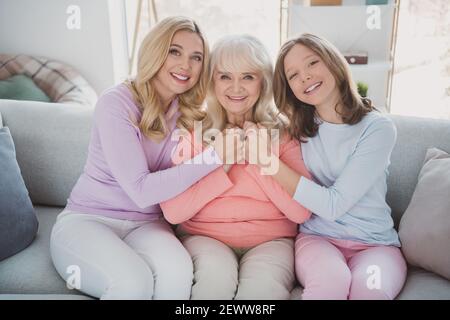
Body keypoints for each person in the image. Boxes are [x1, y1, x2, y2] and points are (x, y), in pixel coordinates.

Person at [50, 16, 231, 300]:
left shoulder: (190, 112)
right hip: (89, 220)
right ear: (155, 51)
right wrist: (214, 157)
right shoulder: (116, 102)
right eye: (175, 51)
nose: (186, 65)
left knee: (178, 276)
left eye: (196, 57)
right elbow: (141, 190)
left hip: (148, 225)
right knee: (134, 283)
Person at [160, 35, 311, 300]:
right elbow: (173, 212)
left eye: (248, 77)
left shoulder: (284, 133)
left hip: (272, 241)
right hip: (205, 238)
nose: (236, 87)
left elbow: (301, 212)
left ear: (263, 81)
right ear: (212, 81)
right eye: (225, 77)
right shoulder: (195, 131)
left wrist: (258, 159)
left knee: (260, 294)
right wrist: (223, 162)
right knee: (213, 286)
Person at [270, 33, 407, 300]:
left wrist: (270, 165)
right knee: (330, 284)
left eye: (312, 63)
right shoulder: (295, 131)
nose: (306, 76)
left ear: (333, 62)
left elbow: (334, 204)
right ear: (289, 88)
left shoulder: (377, 129)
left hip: (375, 246)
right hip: (318, 241)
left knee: (371, 291)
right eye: (294, 75)